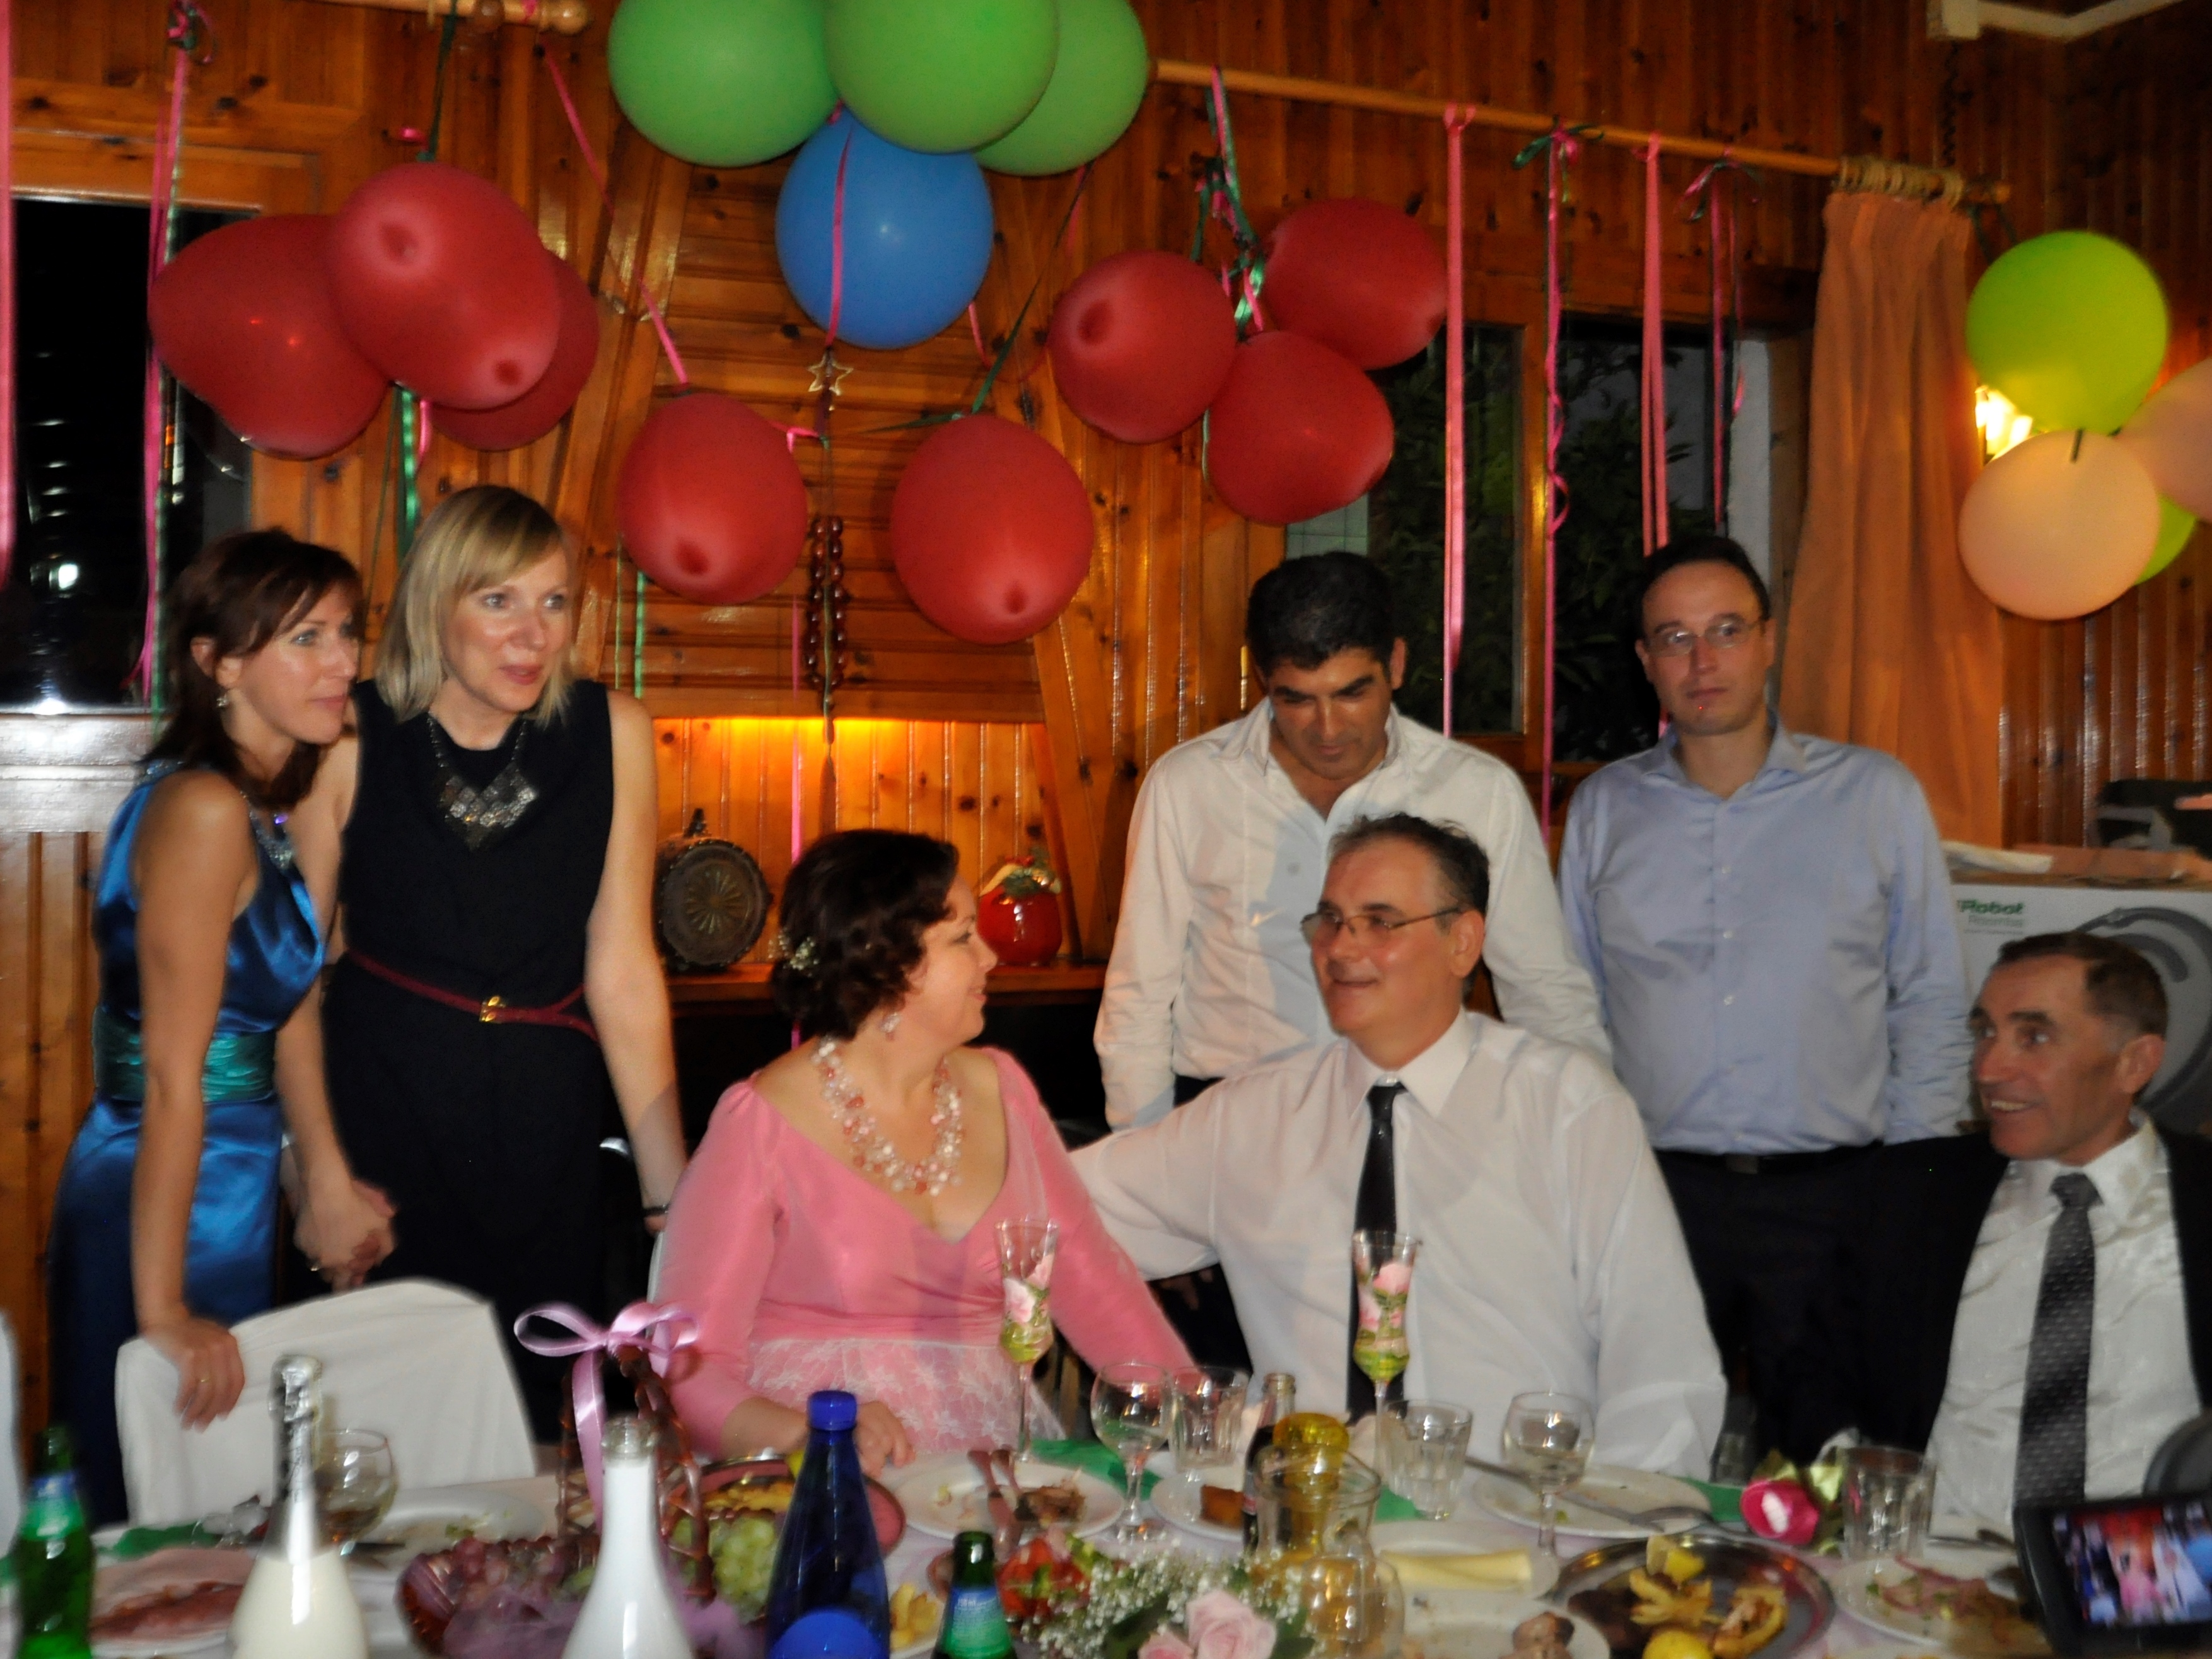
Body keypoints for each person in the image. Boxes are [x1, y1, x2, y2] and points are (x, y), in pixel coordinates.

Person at [1077, 812, 1723, 1474]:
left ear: (1462, 942)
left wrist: (1609, 1523)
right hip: (1315, 1511)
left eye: (1380, 922)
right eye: (1330, 920)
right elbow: (1050, 1210)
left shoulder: (1566, 1107)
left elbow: (1662, 1363)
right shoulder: (1252, 1118)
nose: (1341, 947)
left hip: (1516, 1510)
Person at [1557, 535, 1972, 1453]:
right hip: (1655, 1196)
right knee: (1647, 1456)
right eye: (1674, 638)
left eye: (1726, 630)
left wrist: (1905, 1190)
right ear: (1646, 661)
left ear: (1769, 640)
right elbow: (1574, 1006)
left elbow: (1932, 994)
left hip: (1836, 1199)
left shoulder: (1875, 796)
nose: (1702, 661)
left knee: (1829, 1464)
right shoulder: (1604, 811)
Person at [294, 485, 687, 1440]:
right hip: (381, 1122)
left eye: (554, 601)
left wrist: (672, 1199)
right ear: (437, 603)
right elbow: (291, 981)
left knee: (539, 1434)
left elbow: (624, 969)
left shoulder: (614, 732)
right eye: (499, 600)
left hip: (547, 1134)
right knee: (379, 1440)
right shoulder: (347, 734)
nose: (533, 634)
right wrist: (315, 1176)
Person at [47, 532, 395, 1523]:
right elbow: (172, 1076)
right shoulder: (203, 807)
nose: (342, 662)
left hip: (228, 1172)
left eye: (347, 632)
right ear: (219, 663)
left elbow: (279, 1010)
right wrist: (162, 1307)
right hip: (166, 1187)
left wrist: (315, 1175)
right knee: (157, 1506)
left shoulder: (257, 804)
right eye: (306, 638)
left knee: (230, 1502)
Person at [657, 830, 1189, 1474]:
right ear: (888, 960)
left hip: (986, 1477)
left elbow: (1093, 1283)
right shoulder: (759, 1122)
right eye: (963, 938)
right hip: (825, 1481)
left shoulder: (1004, 1090)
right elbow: (687, 1366)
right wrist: (810, 1435)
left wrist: (1196, 1417)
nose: (990, 956)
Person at [1096, 552, 1607, 1134]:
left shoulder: (1476, 792)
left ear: (1396, 663)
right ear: (1262, 678)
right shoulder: (1189, 785)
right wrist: (1142, 1148)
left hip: (1420, 1122)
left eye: (1351, 693)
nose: (1328, 728)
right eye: (1296, 699)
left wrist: (1588, 1138)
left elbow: (1544, 990)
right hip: (1231, 1121)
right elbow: (1138, 998)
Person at [1782, 934, 2212, 1525]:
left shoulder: (2201, 1198)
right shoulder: (1910, 1190)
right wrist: (1860, 1505)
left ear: (2134, 1062)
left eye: (2034, 1037)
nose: (1989, 1068)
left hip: (2153, 1566)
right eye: (1986, 1032)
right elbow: (1812, 1376)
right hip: (1929, 1558)